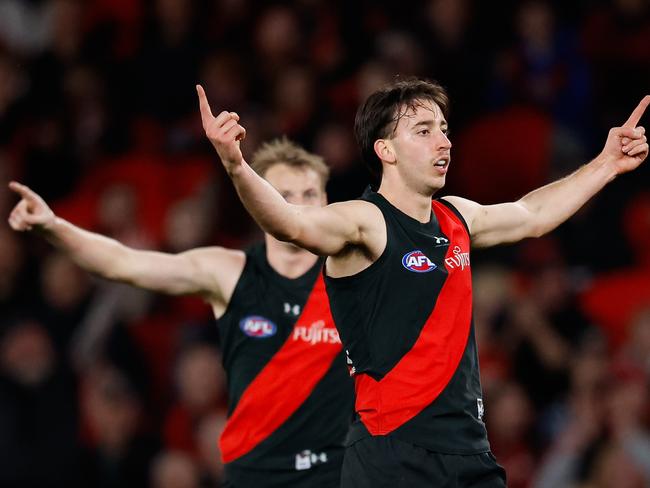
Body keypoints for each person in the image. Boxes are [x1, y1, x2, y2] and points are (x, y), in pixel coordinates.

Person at [196, 79, 648, 487]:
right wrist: (236, 165)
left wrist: (606, 165)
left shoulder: (458, 216)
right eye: (424, 130)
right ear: (385, 150)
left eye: (445, 129)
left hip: (469, 451)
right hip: (393, 453)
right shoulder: (366, 221)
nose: (444, 142)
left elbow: (532, 214)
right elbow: (290, 224)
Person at [6, 137, 355, 488]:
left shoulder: (355, 277)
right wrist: (54, 226)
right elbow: (122, 262)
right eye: (283, 195)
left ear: (326, 201)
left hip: (340, 473)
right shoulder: (230, 272)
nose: (297, 207)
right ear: (257, 204)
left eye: (310, 194)